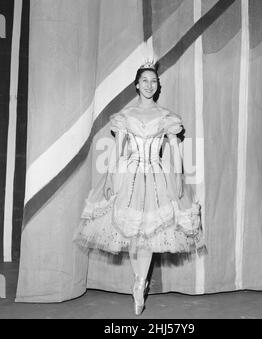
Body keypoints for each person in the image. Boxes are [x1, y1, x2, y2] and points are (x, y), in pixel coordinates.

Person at [74, 59, 206, 316]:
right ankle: (139, 281)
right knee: (134, 234)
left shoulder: (166, 116)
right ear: (136, 85)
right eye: (144, 80)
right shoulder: (125, 116)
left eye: (153, 81)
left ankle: (139, 282)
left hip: (157, 176)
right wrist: (111, 178)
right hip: (129, 176)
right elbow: (116, 149)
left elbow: (175, 150)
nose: (149, 85)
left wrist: (178, 177)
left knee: (148, 235)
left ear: (158, 86)